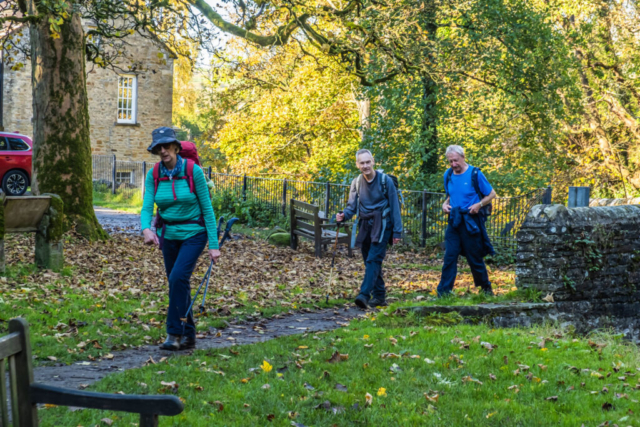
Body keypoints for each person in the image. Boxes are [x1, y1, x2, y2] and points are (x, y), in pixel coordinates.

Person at [141, 127, 221, 351]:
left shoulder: (192, 171)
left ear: (176, 147)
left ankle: (173, 333)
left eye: (167, 146)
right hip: (170, 236)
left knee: (177, 278)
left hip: (195, 234)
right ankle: (189, 336)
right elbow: (147, 206)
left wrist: (213, 246)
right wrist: (146, 229)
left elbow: (208, 209)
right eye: (159, 147)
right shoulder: (154, 174)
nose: (163, 150)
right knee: (178, 283)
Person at [336, 149, 402, 309]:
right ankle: (379, 296)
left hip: (383, 224)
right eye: (362, 163)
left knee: (373, 259)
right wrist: (343, 215)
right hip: (365, 225)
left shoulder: (386, 181)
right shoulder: (357, 182)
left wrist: (397, 232)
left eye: (367, 162)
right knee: (369, 261)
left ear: (373, 162)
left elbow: (395, 207)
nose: (365, 166)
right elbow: (351, 207)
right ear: (357, 164)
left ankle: (364, 295)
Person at [437, 145, 496, 297]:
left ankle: (486, 290)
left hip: (471, 221)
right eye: (450, 161)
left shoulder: (475, 174)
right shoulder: (448, 175)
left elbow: (491, 194)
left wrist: (479, 204)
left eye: (455, 160)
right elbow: (450, 195)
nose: (453, 164)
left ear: (463, 157)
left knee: (474, 257)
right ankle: (443, 292)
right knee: (450, 256)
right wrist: (445, 204)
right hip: (454, 220)